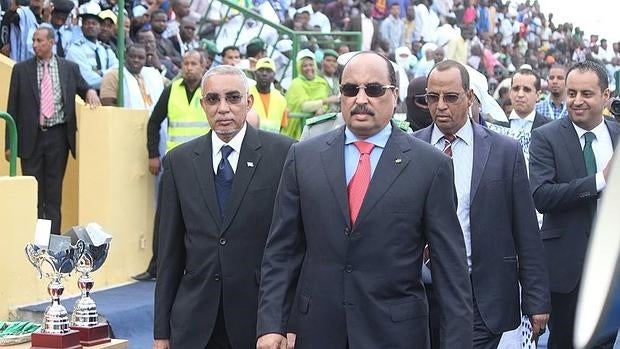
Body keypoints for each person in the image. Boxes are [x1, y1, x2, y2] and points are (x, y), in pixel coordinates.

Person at [256, 51, 473, 349]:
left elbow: (450, 268)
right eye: (350, 90)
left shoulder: (430, 166)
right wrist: (271, 326)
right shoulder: (303, 156)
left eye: (373, 89)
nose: (361, 99)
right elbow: (282, 251)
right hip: (318, 332)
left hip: (396, 335)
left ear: (394, 96)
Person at [153, 65, 295, 348]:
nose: (223, 108)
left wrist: (288, 324)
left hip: (259, 323)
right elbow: (168, 254)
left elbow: (294, 248)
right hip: (193, 324)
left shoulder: (285, 154)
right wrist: (161, 333)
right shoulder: (178, 162)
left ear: (248, 101)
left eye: (233, 97)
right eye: (213, 99)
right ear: (203, 104)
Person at [413, 60, 550, 349]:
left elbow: (526, 229)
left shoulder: (504, 152)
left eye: (450, 97)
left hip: (481, 296)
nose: (440, 106)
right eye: (432, 98)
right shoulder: (409, 150)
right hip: (419, 296)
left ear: (470, 97)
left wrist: (536, 299)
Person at [529, 60, 620, 349]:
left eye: (587, 94)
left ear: (606, 96)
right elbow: (542, 196)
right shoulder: (546, 137)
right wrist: (600, 180)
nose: (577, 101)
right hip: (570, 274)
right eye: (572, 93)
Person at [4, 27, 100, 235]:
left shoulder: (69, 68)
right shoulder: (21, 70)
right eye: (34, 40)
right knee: (34, 196)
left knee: (54, 196)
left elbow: (84, 86)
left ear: (51, 42)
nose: (35, 45)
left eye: (39, 41)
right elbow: (12, 107)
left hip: (58, 138)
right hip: (31, 138)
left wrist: (91, 91)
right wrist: (10, 144)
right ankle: (38, 244)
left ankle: (54, 245)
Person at [132, 50, 208, 282]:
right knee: (165, 217)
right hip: (175, 165)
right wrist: (153, 154)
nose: (189, 67)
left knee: (202, 219)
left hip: (204, 164)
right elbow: (154, 122)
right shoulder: (172, 89)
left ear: (204, 66)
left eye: (194, 63)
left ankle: (196, 268)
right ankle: (156, 268)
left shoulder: (210, 92)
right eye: (185, 63)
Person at [283, 49, 337, 139]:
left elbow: (324, 106)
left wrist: (321, 108)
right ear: (299, 67)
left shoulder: (321, 83)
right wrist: (325, 101)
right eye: (305, 66)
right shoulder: (296, 83)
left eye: (311, 65)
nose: (309, 68)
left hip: (317, 131)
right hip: (296, 129)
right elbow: (304, 106)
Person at [65, 9, 118, 91]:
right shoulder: (75, 49)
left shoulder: (106, 49)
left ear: (100, 28)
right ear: (82, 28)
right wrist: (110, 79)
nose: (91, 26)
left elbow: (117, 69)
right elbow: (87, 79)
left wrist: (101, 73)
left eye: (94, 23)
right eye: (87, 23)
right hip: (84, 94)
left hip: (106, 93)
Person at [100, 44, 165, 110]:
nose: (136, 60)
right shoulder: (113, 75)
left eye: (140, 58)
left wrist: (158, 66)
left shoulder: (150, 74)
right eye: (132, 56)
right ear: (125, 56)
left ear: (146, 59)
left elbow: (170, 85)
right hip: (125, 118)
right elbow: (107, 103)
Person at [249, 57, 288, 134]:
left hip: (273, 143)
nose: (264, 73)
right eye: (261, 70)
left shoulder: (281, 99)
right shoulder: (246, 95)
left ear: (274, 75)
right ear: (255, 73)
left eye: (268, 71)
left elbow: (282, 126)